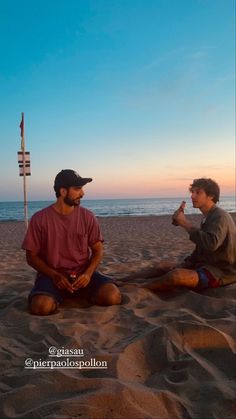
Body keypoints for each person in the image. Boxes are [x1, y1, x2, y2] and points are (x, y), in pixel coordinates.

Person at [22, 169, 121, 315]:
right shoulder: (40, 219)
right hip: (52, 276)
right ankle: (54, 295)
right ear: (63, 191)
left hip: (82, 275)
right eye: (77, 189)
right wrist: (54, 275)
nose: (82, 193)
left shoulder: (88, 217)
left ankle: (81, 293)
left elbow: (98, 250)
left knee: (112, 296)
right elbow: (31, 257)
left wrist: (87, 274)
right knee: (40, 307)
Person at [141, 178, 236, 292]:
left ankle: (139, 288)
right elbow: (201, 249)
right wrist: (187, 263)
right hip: (206, 265)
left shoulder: (220, 216)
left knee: (176, 275)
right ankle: (121, 281)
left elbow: (211, 244)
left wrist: (184, 223)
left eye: (198, 192)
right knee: (160, 266)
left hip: (221, 272)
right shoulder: (208, 217)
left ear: (210, 196)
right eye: (192, 192)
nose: (192, 196)